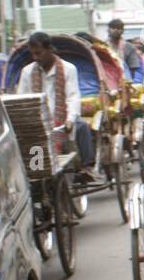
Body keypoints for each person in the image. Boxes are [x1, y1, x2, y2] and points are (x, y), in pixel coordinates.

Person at [14, 31, 95, 180]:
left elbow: (73, 96)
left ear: (50, 49)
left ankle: (87, 167)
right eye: (33, 54)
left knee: (82, 127)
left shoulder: (68, 69)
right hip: (38, 124)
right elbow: (22, 100)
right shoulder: (27, 72)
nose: (36, 58)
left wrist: (70, 120)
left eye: (39, 53)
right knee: (28, 148)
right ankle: (37, 174)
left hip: (62, 120)